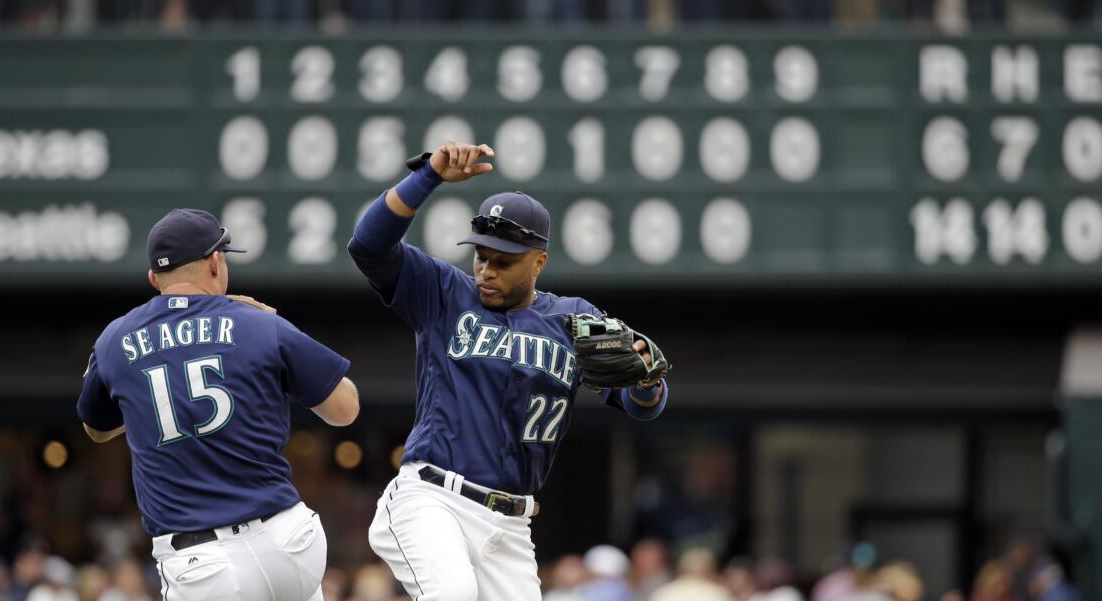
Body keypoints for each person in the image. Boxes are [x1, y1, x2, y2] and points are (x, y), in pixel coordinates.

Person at [349, 142, 670, 601]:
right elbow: (368, 245)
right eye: (481, 255)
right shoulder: (443, 292)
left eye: (504, 261)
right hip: (433, 499)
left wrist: (645, 381)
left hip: (512, 525)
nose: (486, 270)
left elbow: (643, 406)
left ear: (539, 261)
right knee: (451, 594)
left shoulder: (572, 320)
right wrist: (429, 178)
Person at [76, 208, 359, 601]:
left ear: (154, 278)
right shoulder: (257, 322)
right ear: (215, 262)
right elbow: (346, 409)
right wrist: (279, 326)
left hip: (200, 564)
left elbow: (97, 428)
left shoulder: (115, 339)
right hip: (288, 543)